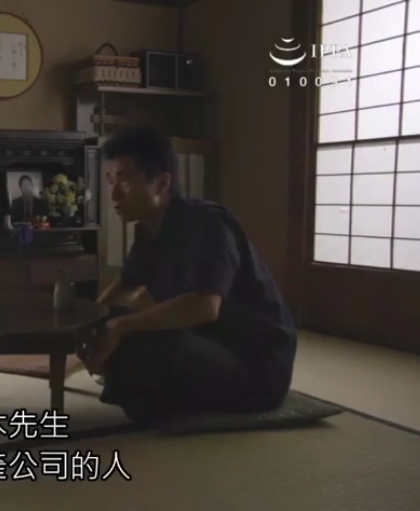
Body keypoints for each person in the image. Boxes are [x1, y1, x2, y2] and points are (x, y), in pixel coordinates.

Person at [79, 125, 297, 423]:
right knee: (111, 322)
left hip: (255, 365)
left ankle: (158, 403)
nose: (114, 194)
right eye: (111, 181)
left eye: (125, 180)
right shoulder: (148, 231)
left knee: (137, 338)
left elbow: (205, 307)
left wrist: (118, 327)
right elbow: (124, 285)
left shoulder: (209, 224)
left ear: (161, 183)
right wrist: (88, 325)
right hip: (206, 344)